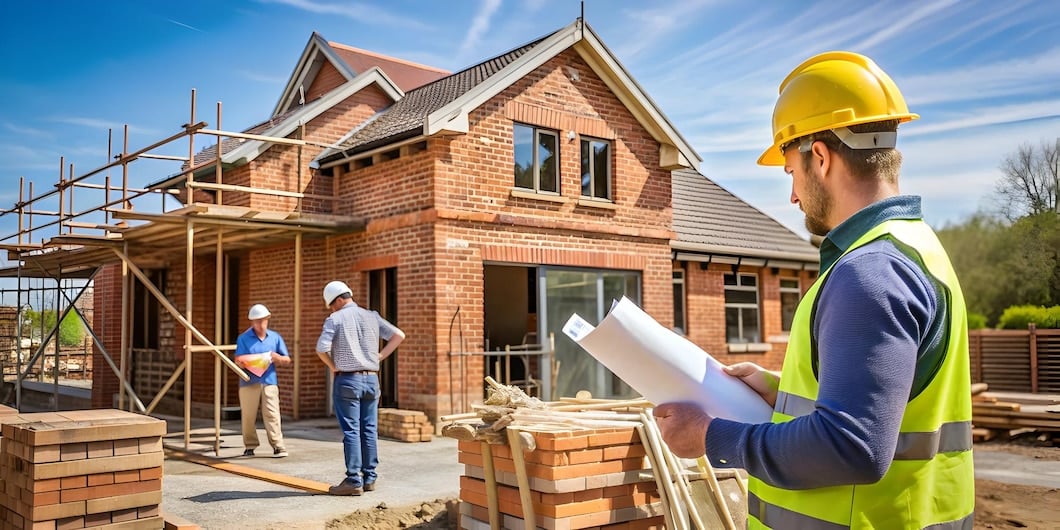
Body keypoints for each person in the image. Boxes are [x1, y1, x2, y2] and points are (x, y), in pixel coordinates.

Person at [654, 51, 975, 529]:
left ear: (820, 157)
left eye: (791, 172)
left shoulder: (869, 272)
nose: (792, 195)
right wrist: (778, 394)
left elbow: (854, 446)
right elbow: (888, 405)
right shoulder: (917, 247)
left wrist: (710, 437)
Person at [316, 280, 405, 496]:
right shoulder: (371, 316)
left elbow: (321, 348)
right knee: (369, 429)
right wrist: (380, 357)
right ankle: (370, 477)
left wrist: (333, 366)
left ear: (338, 300)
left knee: (352, 431)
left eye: (331, 304)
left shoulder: (335, 319)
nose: (331, 308)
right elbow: (399, 335)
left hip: (347, 379)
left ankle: (353, 480)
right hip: (372, 379)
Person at [234, 303, 292, 458]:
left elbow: (287, 359)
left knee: (273, 414)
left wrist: (277, 357)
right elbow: (237, 359)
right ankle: (250, 446)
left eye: (263, 320)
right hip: (248, 381)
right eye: (256, 321)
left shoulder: (275, 337)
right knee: (248, 416)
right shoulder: (244, 338)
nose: (260, 324)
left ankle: (278, 446)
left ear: (268, 319)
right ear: (251, 322)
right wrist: (244, 361)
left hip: (269, 381)